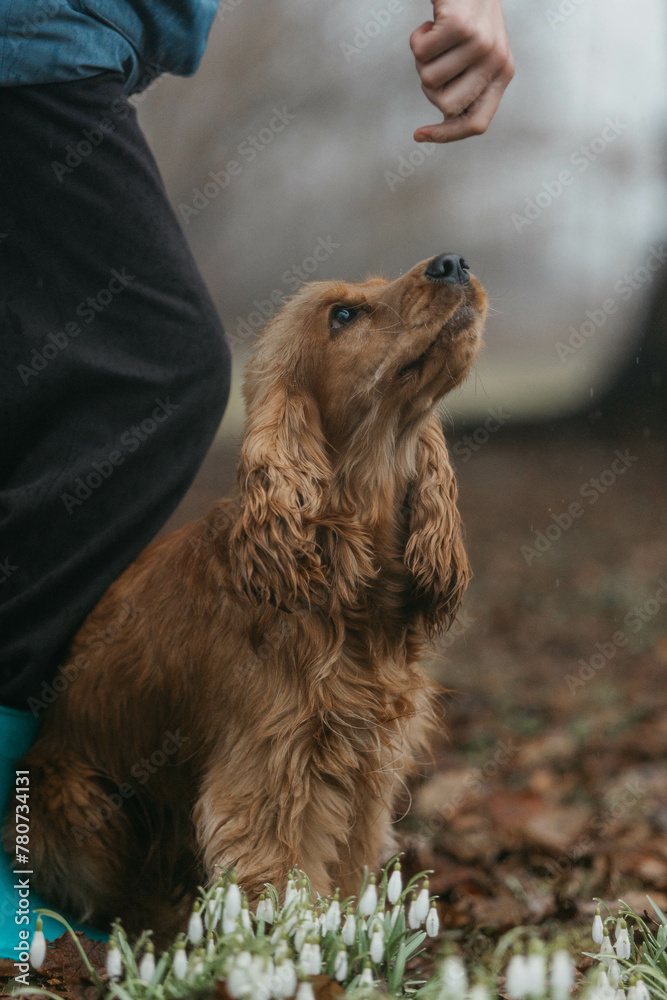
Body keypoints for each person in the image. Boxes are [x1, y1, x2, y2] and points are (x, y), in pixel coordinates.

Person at [0, 0, 514, 960]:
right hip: (38, 32)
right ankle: (17, 850)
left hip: (79, 42)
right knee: (160, 361)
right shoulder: (260, 586)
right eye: (347, 317)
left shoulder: (393, 543)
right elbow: (259, 814)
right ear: (294, 421)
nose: (419, 284)